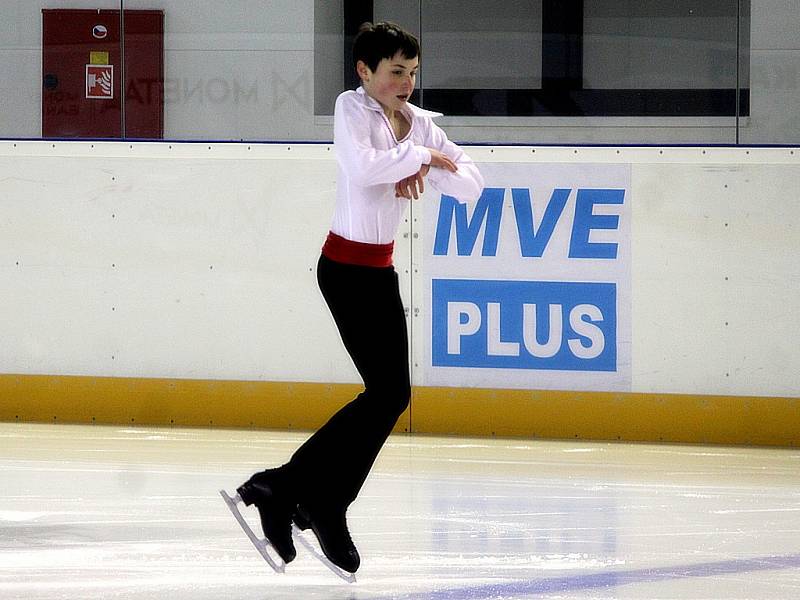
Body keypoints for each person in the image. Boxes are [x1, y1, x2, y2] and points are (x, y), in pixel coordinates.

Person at [235, 21, 484, 574]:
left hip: (378, 271)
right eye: (396, 71)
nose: (407, 83)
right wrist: (421, 160)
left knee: (390, 394)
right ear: (364, 71)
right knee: (388, 392)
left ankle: (311, 496)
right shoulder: (353, 111)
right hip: (344, 268)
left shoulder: (417, 123)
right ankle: (298, 492)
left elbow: (472, 183)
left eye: (413, 73)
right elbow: (362, 166)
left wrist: (424, 161)